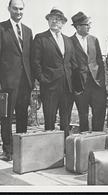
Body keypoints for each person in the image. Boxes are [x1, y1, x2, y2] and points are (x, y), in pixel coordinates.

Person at [0, 0, 33, 161]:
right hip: (7, 81)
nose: (18, 12)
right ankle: (8, 151)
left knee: (23, 116)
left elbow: (29, 58)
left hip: (25, 82)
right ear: (9, 8)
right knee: (7, 117)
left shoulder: (28, 31)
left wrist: (32, 80)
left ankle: (21, 150)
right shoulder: (0, 28)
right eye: (15, 8)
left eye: (21, 9)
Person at [32, 8, 77, 138]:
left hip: (67, 88)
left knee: (65, 121)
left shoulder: (68, 40)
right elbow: (36, 62)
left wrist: (75, 83)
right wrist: (42, 79)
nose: (54, 21)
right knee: (50, 121)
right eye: (51, 18)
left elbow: (72, 64)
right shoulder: (41, 38)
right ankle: (51, 152)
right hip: (50, 86)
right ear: (48, 21)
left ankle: (64, 149)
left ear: (63, 23)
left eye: (58, 19)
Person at [70, 11, 106, 132]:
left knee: (99, 113)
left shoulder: (94, 40)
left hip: (96, 84)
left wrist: (102, 82)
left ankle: (98, 139)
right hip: (80, 86)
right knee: (83, 115)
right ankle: (84, 142)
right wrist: (75, 86)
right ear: (78, 26)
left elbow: (100, 61)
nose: (89, 27)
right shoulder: (69, 41)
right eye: (87, 24)